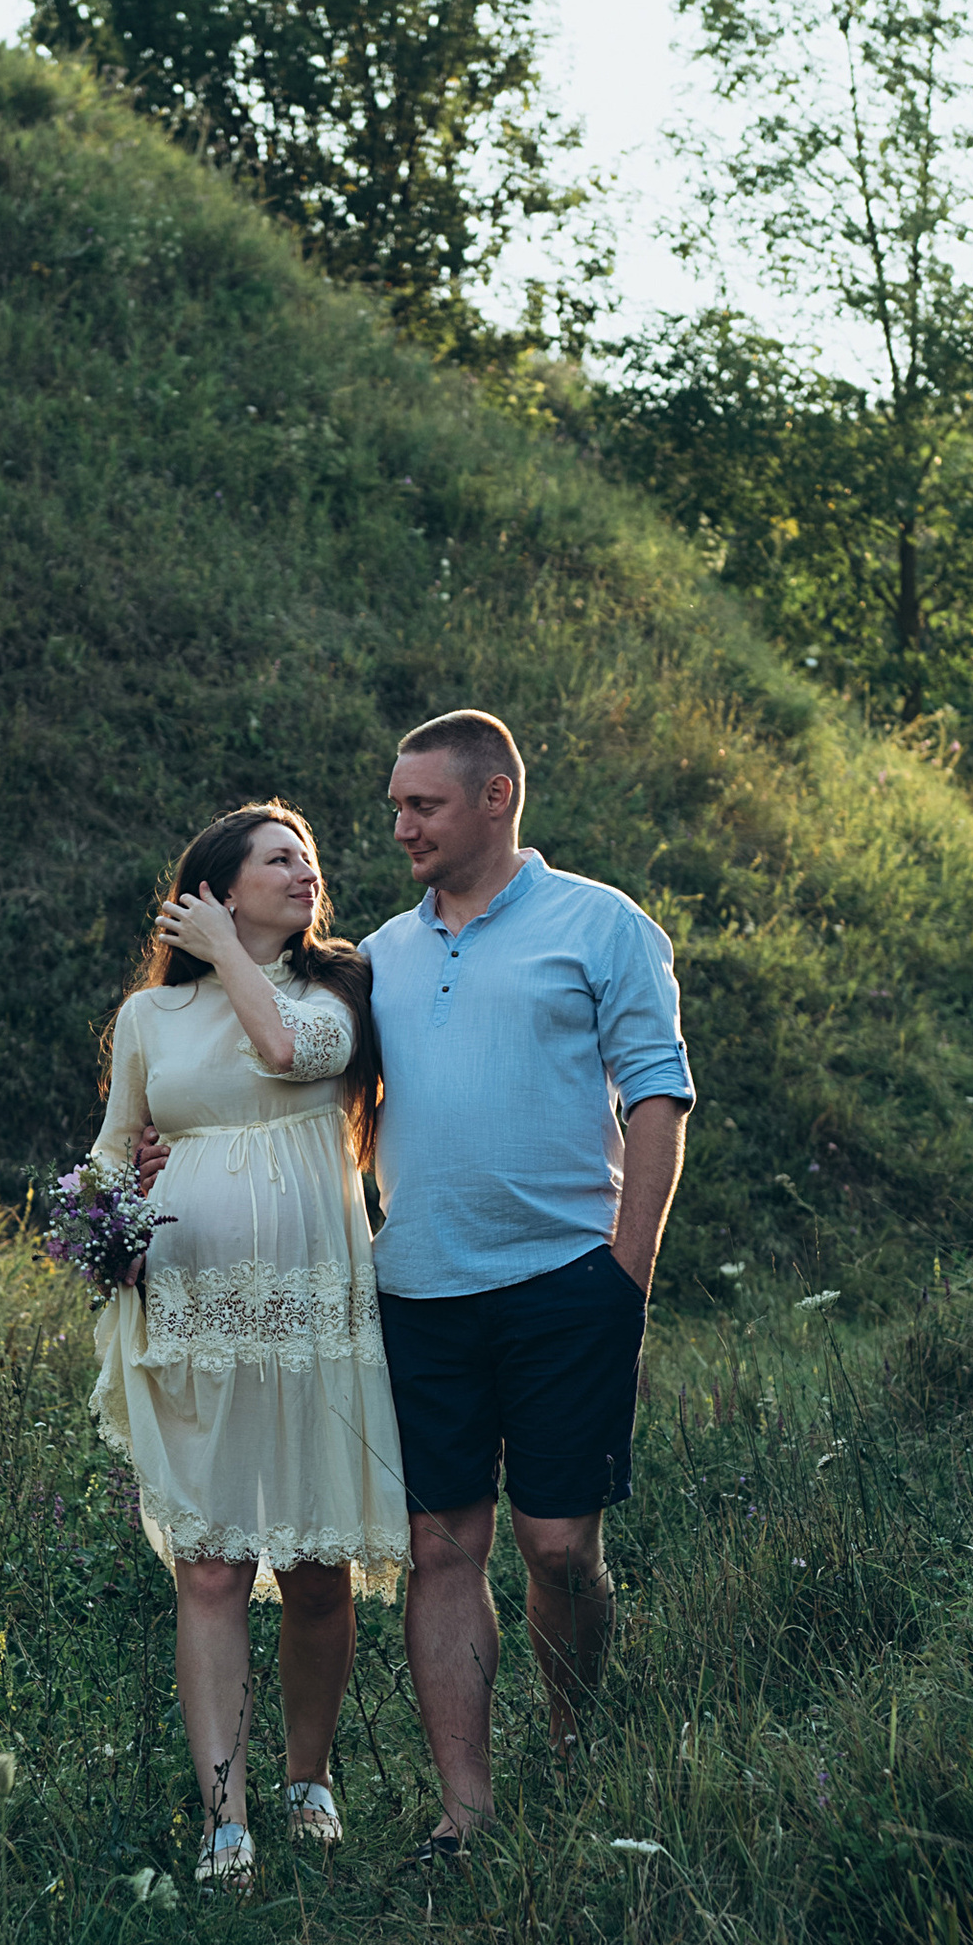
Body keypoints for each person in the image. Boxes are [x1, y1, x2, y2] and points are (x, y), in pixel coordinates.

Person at [366, 709, 693, 1865]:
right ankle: (466, 1812)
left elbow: (657, 1098)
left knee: (558, 1548)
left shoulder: (600, 925)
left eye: (423, 805)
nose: (400, 824)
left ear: (494, 797)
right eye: (397, 806)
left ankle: (573, 1739)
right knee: (443, 1547)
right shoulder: (377, 957)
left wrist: (626, 1274)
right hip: (416, 1293)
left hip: (568, 1285)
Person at [88, 802, 407, 1888]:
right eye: (281, 859)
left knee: (318, 1570)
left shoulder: (336, 994)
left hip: (313, 1320)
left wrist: (224, 948)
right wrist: (100, 1233)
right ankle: (225, 1815)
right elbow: (109, 1152)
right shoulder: (147, 1022)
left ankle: (307, 1779)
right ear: (222, 884)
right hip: (193, 1323)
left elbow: (280, 1050)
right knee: (214, 1565)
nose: (307, 873)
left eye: (310, 859)